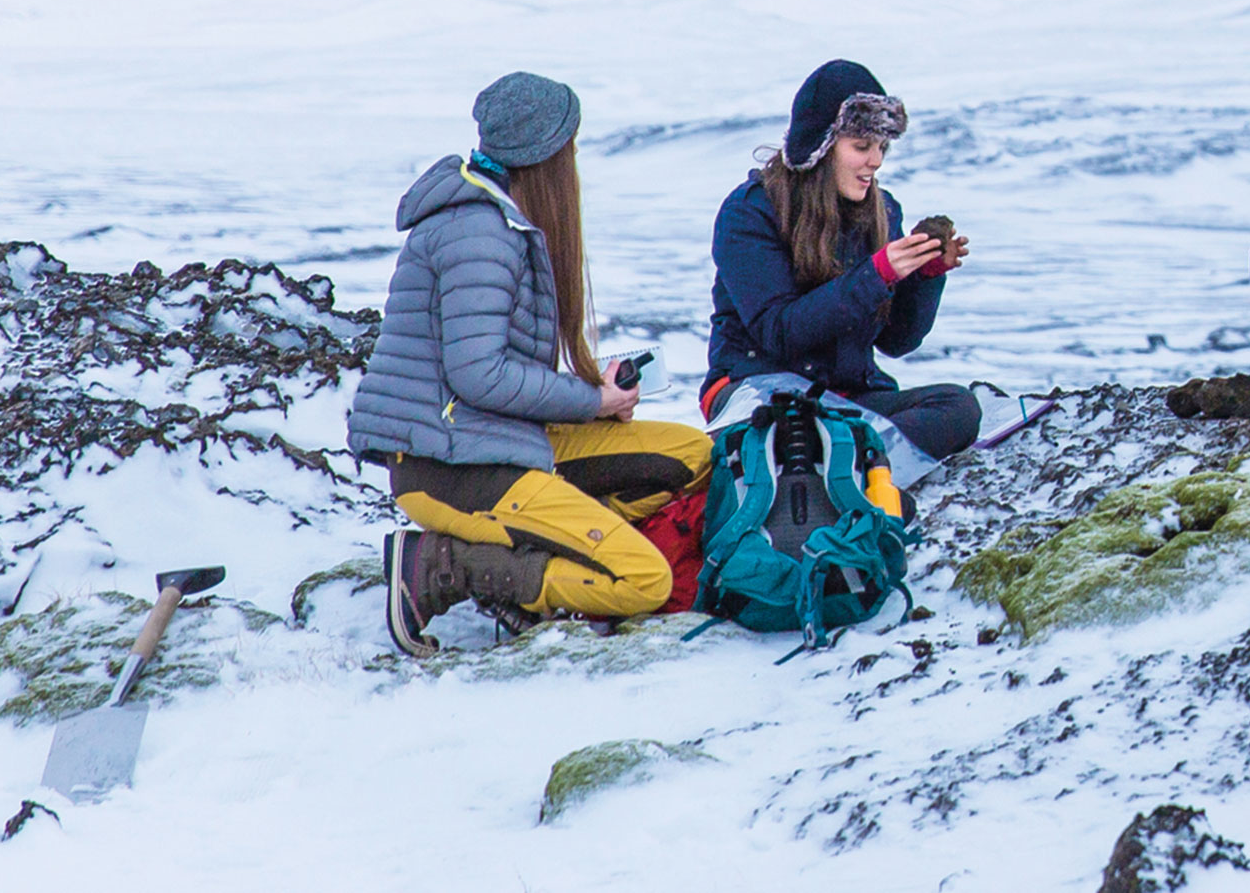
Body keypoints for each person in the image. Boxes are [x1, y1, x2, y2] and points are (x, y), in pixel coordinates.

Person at [349, 72, 714, 656]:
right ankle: (448, 566)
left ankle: (554, 545)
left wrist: (591, 393)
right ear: (545, 155)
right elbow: (479, 375)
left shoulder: (502, 218)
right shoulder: (480, 231)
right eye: (569, 147)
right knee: (646, 580)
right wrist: (592, 402)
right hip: (451, 467)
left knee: (694, 456)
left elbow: (487, 371)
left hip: (502, 440)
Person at [701, 60, 982, 459]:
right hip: (758, 395)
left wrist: (925, 274)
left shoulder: (883, 210)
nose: (877, 161)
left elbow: (897, 342)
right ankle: (867, 460)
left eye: (882, 147)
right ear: (820, 146)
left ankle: (848, 460)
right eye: (862, 147)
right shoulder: (749, 212)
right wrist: (877, 273)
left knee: (959, 407)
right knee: (800, 434)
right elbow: (778, 331)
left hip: (848, 400)